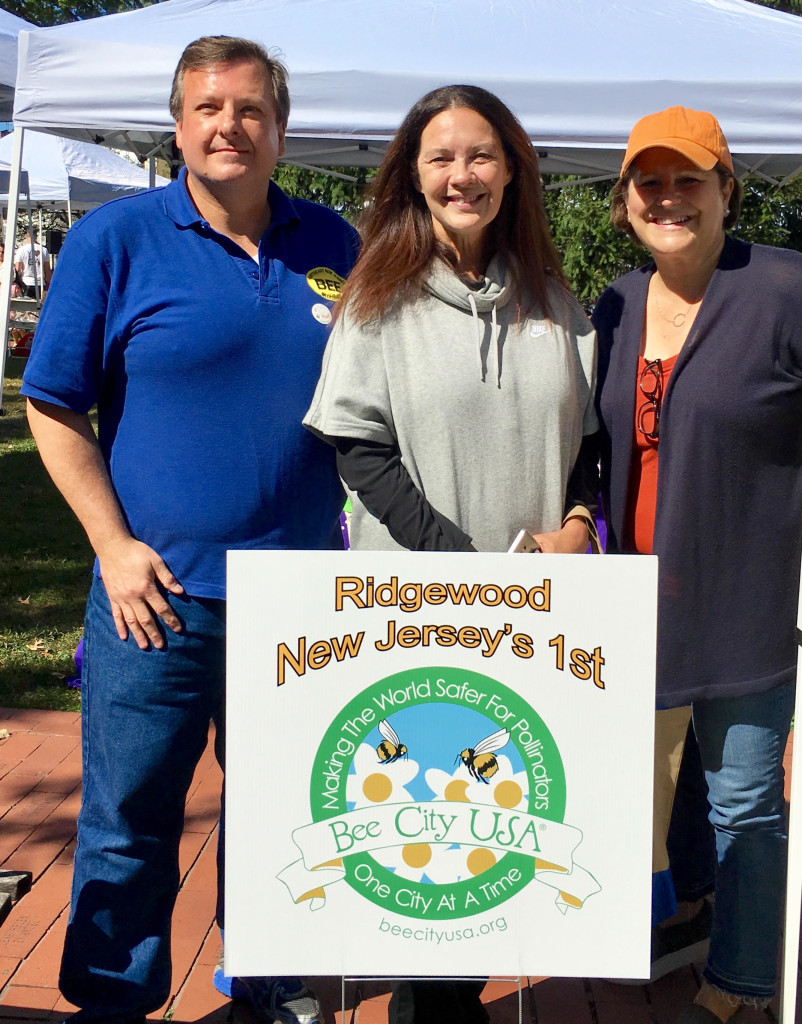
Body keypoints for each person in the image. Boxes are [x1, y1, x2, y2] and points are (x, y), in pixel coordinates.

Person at [21, 35, 358, 1024]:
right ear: (179, 125)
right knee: (127, 826)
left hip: (301, 604)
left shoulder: (332, 243)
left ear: (279, 129)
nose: (229, 126)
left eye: (250, 109)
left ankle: (268, 985)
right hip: (153, 601)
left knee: (281, 812)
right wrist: (113, 548)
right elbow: (50, 406)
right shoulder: (115, 241)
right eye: (208, 108)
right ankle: (114, 1002)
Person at [304, 83, 598, 1024]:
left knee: (506, 807)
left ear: (513, 170)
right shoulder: (375, 301)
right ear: (413, 175)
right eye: (441, 158)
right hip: (415, 603)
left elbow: (589, 442)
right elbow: (359, 448)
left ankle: (455, 995)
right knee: (422, 821)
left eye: (481, 155)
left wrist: (580, 527)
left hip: (535, 614)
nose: (461, 174)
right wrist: (461, 561)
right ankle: (433, 1004)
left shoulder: (559, 304)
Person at [593, 105, 802, 1024]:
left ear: (728, 191)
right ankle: (665, 917)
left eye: (690, 178)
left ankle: (745, 981)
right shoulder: (619, 302)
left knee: (747, 804)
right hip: (633, 600)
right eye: (651, 181)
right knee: (637, 789)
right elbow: (591, 447)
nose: (669, 197)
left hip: (746, 598)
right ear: (625, 200)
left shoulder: (785, 290)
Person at [14, 228, 51, 298]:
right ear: (36, 236)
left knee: (27, 307)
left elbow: (18, 269)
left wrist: (17, 283)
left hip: (26, 283)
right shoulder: (44, 250)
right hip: (40, 284)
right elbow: (47, 270)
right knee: (40, 307)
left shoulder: (21, 250)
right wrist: (48, 284)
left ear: (26, 236)